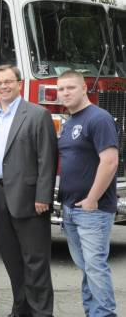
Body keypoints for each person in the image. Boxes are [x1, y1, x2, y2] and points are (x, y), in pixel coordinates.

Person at [0, 65, 57, 317]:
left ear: (19, 83)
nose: (3, 86)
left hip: (30, 199)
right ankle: (20, 310)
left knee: (35, 262)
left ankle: (42, 313)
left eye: (8, 82)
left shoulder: (37, 114)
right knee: (13, 261)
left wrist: (43, 196)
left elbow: (47, 158)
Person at [57, 70, 119, 317]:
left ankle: (104, 314)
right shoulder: (70, 121)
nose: (65, 93)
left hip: (92, 210)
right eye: (61, 89)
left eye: (70, 88)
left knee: (95, 267)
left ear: (85, 88)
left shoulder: (99, 118)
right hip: (71, 208)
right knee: (87, 268)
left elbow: (110, 161)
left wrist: (92, 198)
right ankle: (93, 312)